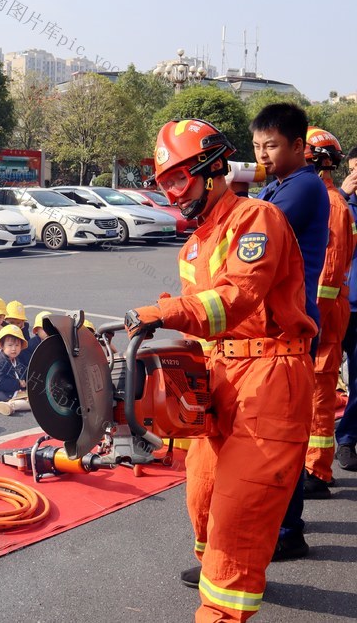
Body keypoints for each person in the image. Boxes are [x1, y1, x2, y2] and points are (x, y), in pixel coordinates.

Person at [127, 117, 316, 621]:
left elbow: (236, 298)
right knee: (204, 495)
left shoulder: (257, 219)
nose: (172, 192)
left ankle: (224, 602)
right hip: (221, 379)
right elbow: (199, 322)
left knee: (238, 518)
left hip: (270, 381)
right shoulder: (194, 244)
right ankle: (218, 565)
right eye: (164, 183)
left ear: (213, 173)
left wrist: (164, 313)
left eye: (179, 181)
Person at [252, 103, 329, 560]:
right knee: (272, 433)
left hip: (291, 325)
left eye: (272, 146)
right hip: (277, 323)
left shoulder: (301, 187)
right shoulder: (277, 184)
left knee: (280, 436)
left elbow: (252, 227)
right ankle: (282, 526)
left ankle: (286, 532)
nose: (263, 154)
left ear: (299, 147)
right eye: (258, 145)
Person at [300, 127, 355, 498]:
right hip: (321, 315)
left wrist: (307, 323)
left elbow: (328, 275)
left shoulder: (331, 205)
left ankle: (318, 471)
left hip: (322, 317)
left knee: (320, 392)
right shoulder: (324, 200)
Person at [337, 146, 357, 471]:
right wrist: (343, 195)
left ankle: (347, 440)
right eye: (354, 170)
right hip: (334, 307)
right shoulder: (338, 205)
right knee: (320, 382)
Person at [0, 324, 30, 416]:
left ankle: (8, 405)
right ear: (2, 346)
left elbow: (24, 374)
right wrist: (18, 383)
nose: (14, 349)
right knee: (32, 402)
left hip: (13, 392)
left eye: (17, 345)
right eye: (10, 345)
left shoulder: (17, 360)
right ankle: (10, 406)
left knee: (33, 397)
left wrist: (25, 383)